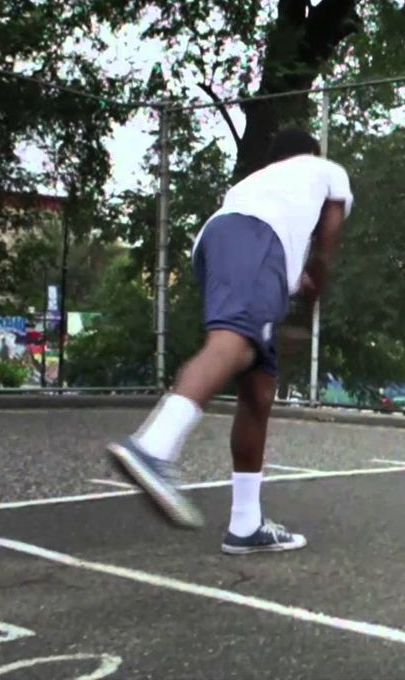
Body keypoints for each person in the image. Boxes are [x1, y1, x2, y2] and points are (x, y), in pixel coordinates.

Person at [108, 128, 351, 554]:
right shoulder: (325, 170)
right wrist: (308, 309)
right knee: (233, 344)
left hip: (224, 244)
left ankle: (246, 523)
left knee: (259, 388)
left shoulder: (258, 185)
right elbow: (326, 250)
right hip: (257, 242)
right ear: (311, 154)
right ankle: (153, 447)